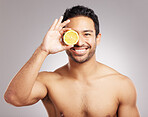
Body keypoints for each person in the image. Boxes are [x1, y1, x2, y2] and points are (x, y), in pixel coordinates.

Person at [4, 5, 140, 117]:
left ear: (97, 38)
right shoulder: (49, 82)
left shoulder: (121, 85)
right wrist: (43, 50)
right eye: (73, 35)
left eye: (87, 34)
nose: (80, 42)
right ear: (63, 37)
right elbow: (13, 98)